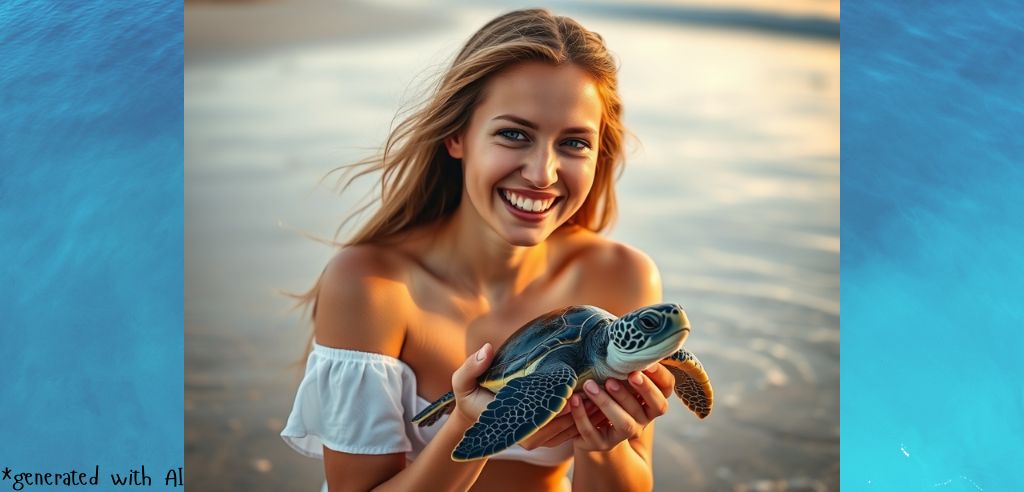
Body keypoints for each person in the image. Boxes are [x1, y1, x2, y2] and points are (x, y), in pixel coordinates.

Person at [281, 8, 678, 492]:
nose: (542, 173)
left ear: (599, 155)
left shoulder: (621, 277)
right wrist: (466, 425)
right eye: (514, 134)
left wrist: (608, 443)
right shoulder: (372, 286)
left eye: (574, 143)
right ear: (457, 135)